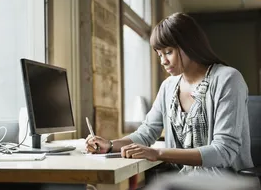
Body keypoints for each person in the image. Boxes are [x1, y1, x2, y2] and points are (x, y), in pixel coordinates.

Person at [85, 12, 254, 175]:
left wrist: (158, 153)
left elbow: (223, 151)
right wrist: (110, 144)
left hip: (226, 180)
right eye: (159, 54)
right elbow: (146, 132)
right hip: (184, 178)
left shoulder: (228, 79)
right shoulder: (168, 86)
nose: (163, 61)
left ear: (189, 44)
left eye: (168, 52)